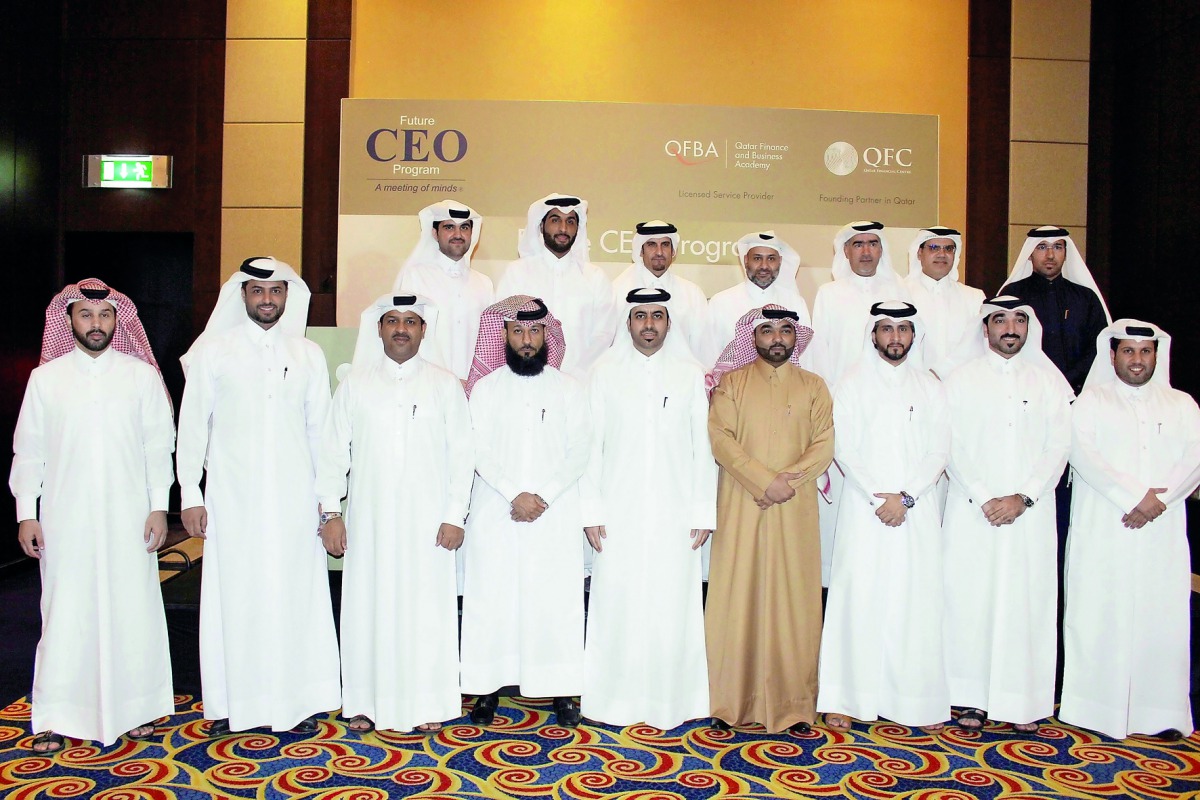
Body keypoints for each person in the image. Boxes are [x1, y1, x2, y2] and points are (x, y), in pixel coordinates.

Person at [177, 257, 340, 736]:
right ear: (242, 295)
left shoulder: (308, 354)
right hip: (233, 499)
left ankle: (297, 703)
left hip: (295, 498)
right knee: (236, 597)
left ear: (287, 296)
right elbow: (192, 428)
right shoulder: (214, 352)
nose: (267, 300)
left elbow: (321, 433)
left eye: (276, 291)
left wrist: (328, 500)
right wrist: (190, 494)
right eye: (257, 291)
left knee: (294, 596)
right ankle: (233, 704)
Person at [10, 279, 175, 753]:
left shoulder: (140, 376)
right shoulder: (46, 379)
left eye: (104, 315)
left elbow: (158, 447)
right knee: (64, 613)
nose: (96, 323)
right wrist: (26, 513)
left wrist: (158, 507)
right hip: (65, 518)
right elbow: (29, 451)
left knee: (133, 611)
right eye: (86, 314)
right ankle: (56, 713)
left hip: (130, 517)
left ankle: (136, 709)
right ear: (69, 321)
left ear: (117, 320)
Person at [316, 294, 474, 735]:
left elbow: (463, 456)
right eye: (392, 321)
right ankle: (364, 702)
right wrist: (331, 513)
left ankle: (428, 702)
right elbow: (332, 454)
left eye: (410, 321)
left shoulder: (445, 385)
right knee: (368, 608)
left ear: (423, 330)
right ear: (379, 329)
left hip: (430, 524)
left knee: (427, 612)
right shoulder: (355, 385)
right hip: (370, 522)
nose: (401, 329)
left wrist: (455, 515)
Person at [581, 288, 716, 730]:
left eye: (657, 315)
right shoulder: (603, 374)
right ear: (628, 323)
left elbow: (703, 449)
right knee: (618, 603)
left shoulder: (689, 375)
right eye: (640, 316)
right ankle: (612, 701)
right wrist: (591, 510)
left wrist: (703, 511)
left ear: (669, 323)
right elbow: (592, 447)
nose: (649, 324)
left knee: (671, 604)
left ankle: (673, 701)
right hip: (617, 512)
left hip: (676, 514)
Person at [1059, 320, 1200, 741]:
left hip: (1161, 528)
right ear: (1112, 355)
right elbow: (1083, 454)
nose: (1137, 360)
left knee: (1161, 616)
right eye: (1128, 351)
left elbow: (1194, 458)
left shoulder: (1182, 404)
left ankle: (1158, 714)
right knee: (1100, 612)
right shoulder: (1090, 402)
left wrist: (1159, 502)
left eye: (1145, 351)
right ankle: (1094, 709)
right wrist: (1133, 497)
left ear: (1157, 355)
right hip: (1105, 525)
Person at [941, 297, 1073, 734]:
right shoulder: (960, 380)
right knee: (970, 600)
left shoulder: (1049, 383)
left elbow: (1059, 446)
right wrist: (984, 496)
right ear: (986, 329)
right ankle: (970, 697)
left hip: (1029, 514)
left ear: (1029, 328)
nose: (1010, 328)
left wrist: (1025, 497)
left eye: (1019, 320)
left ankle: (1022, 701)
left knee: (1025, 603)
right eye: (1000, 320)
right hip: (971, 510)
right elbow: (950, 444)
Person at [818, 302, 950, 734]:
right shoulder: (851, 383)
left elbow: (939, 449)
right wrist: (881, 497)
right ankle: (846, 697)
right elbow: (844, 448)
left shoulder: (930, 387)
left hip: (917, 509)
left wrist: (906, 497)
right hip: (864, 510)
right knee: (858, 598)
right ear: (873, 335)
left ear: (915, 335)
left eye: (903, 328)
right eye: (887, 329)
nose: (895, 337)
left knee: (915, 600)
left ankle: (915, 700)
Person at [459, 296, 589, 728]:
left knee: (555, 601)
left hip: (554, 512)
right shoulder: (486, 388)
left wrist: (542, 496)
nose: (526, 340)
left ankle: (561, 689)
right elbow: (476, 447)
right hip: (497, 510)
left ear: (546, 334)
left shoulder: (569, 388)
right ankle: (486, 688)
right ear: (505, 336)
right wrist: (515, 493)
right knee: (491, 600)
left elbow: (580, 449)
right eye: (518, 331)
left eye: (534, 331)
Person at [705, 305, 834, 734]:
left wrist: (783, 483)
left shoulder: (814, 386)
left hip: (794, 508)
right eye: (767, 330)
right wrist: (763, 482)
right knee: (736, 597)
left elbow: (824, 444)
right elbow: (721, 439)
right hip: (742, 504)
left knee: (794, 603)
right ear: (753, 337)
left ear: (795, 338)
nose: (777, 338)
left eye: (785, 330)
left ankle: (793, 705)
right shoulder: (731, 384)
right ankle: (730, 702)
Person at [810, 221, 910, 587]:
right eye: (858, 244)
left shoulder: (901, 290)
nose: (866, 251)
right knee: (843, 501)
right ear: (846, 252)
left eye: (872, 244)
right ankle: (837, 584)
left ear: (882, 249)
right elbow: (820, 354)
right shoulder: (829, 294)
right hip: (842, 409)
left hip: (894, 407)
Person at [496, 194, 615, 379]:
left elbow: (604, 334)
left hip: (581, 382)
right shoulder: (517, 273)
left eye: (570, 222)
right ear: (541, 225)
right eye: (555, 220)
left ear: (578, 229)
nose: (563, 228)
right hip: (527, 378)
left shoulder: (595, 277)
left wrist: (578, 374)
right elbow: (503, 327)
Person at [1000, 226, 1111, 396]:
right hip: (1025, 390)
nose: (1050, 255)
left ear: (1066, 254)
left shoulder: (1085, 297)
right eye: (1042, 247)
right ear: (1029, 253)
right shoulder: (1012, 294)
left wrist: (1067, 380)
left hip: (1078, 392)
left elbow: (1098, 346)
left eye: (1058, 247)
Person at [392, 199, 494, 381]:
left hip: (474, 386)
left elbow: (490, 342)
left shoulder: (484, 284)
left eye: (464, 227)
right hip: (427, 384)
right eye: (449, 227)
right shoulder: (415, 277)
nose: (458, 234)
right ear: (434, 233)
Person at [704, 231, 811, 367]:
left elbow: (806, 358)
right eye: (757, 258)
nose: (764, 266)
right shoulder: (721, 302)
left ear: (780, 261)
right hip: (733, 379)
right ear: (746, 260)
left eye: (771, 259)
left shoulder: (795, 302)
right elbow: (710, 355)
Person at [610, 221, 709, 360]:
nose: (659, 252)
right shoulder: (617, 291)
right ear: (641, 250)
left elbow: (702, 350)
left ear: (673, 251)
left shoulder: (692, 294)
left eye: (665, 245)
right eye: (651, 245)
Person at [902, 227, 984, 379]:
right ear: (919, 253)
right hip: (912, 384)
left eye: (948, 248)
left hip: (962, 384)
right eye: (934, 248)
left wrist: (942, 372)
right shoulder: (900, 294)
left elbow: (977, 343)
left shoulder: (974, 297)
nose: (942, 254)